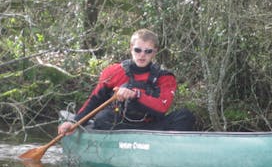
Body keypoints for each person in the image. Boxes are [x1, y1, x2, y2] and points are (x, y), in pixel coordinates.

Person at [58, 29, 195, 135]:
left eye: (148, 51)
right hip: (119, 126)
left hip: (151, 127)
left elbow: (162, 107)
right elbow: (95, 100)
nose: (142, 55)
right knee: (102, 117)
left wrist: (136, 95)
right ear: (131, 48)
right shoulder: (113, 72)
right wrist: (74, 122)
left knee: (185, 116)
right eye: (138, 50)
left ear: (154, 52)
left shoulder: (165, 77)